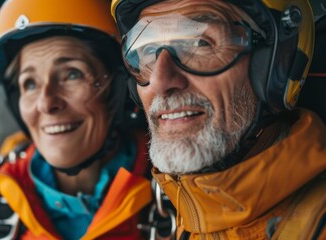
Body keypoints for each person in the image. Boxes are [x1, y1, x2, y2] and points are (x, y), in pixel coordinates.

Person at [111, 0, 326, 239]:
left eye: (200, 43)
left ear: (277, 65)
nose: (160, 82)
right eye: (148, 50)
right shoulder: (185, 223)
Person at [0, 0, 155, 239]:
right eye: (30, 84)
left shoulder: (182, 195)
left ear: (118, 87)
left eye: (72, 74)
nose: (45, 103)